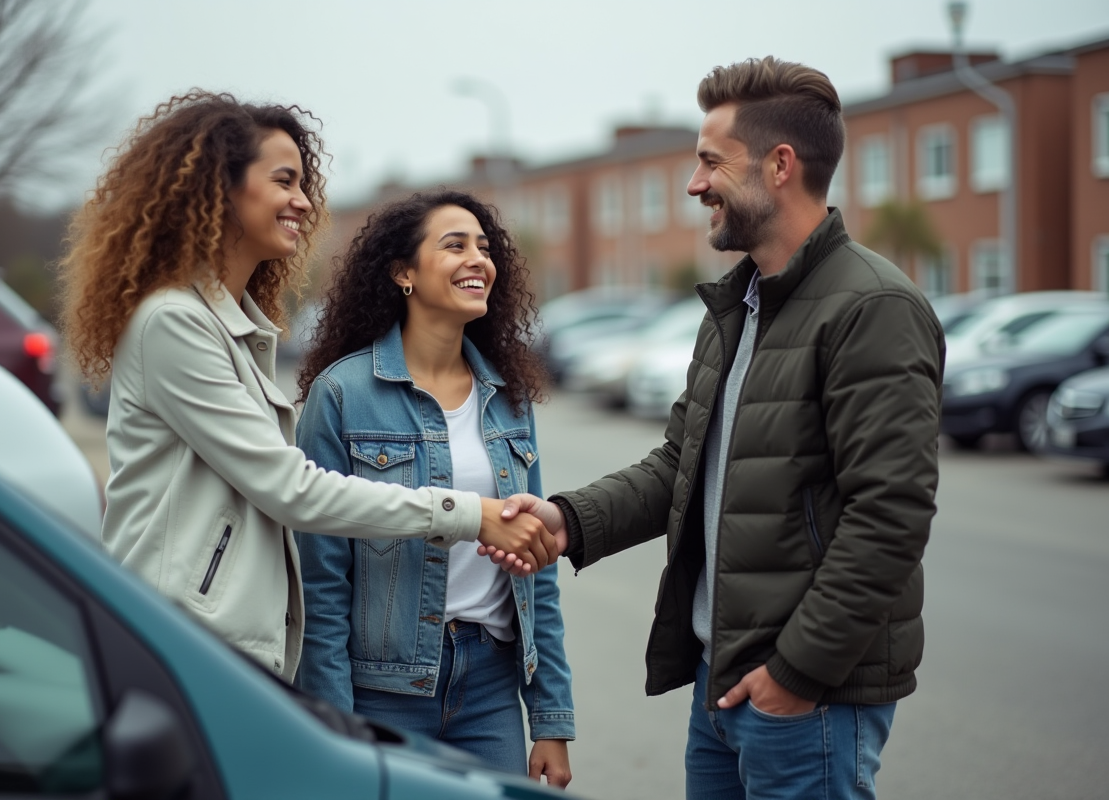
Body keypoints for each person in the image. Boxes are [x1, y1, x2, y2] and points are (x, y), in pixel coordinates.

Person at [499, 57, 945, 799]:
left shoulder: (872, 308)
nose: (694, 183)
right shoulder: (739, 307)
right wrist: (567, 520)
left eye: (711, 161)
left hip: (807, 696)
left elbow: (890, 515)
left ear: (779, 166)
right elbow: (682, 465)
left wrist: (796, 673)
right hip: (722, 678)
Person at [57, 93, 554, 683]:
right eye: (284, 181)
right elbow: (290, 490)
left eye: (303, 184)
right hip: (178, 645)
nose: (302, 201)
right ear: (221, 188)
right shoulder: (176, 323)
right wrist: (468, 513)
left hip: (213, 646)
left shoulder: (232, 327)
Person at [293, 189, 575, 787]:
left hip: (491, 689)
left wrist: (550, 718)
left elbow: (538, 564)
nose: (479, 258)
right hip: (382, 691)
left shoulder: (508, 399)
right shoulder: (342, 395)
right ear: (403, 273)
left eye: (485, 246)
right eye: (455, 245)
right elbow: (320, 582)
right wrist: (331, 726)